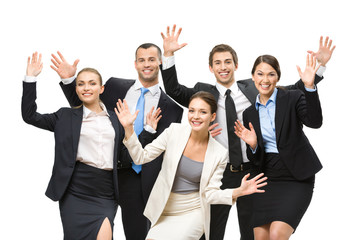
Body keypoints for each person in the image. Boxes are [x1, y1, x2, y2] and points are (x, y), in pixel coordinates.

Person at [159, 25, 335, 240]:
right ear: (211, 68)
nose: (223, 67)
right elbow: (174, 90)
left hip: (255, 171)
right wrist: (167, 55)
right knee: (211, 230)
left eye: (227, 62)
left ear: (236, 65)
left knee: (253, 233)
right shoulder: (203, 93)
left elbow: (297, 88)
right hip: (219, 172)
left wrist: (320, 68)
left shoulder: (255, 88)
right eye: (217, 63)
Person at [50, 44, 183, 239]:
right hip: (101, 176)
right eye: (142, 60)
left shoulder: (173, 109)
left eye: (152, 59)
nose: (147, 64)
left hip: (139, 180)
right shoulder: (114, 86)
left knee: (136, 234)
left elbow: (163, 149)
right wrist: (69, 80)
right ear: (135, 64)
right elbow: (82, 109)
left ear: (160, 62)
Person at [115, 91, 268, 240]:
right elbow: (141, 157)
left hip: (194, 212)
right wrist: (129, 128)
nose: (195, 116)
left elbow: (210, 193)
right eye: (192, 111)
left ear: (212, 116)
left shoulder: (219, 153)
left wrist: (237, 192)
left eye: (202, 112)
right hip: (165, 210)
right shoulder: (174, 131)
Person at [21, 52, 125, 240]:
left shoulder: (117, 118)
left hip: (106, 190)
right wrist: (30, 78)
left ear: (101, 88)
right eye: (81, 83)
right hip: (76, 189)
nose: (86, 88)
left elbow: (128, 151)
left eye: (92, 83)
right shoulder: (65, 116)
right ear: (75, 89)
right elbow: (30, 116)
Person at [234, 53, 323, 239]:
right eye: (260, 74)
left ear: (278, 77)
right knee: (261, 237)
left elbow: (315, 122)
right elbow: (256, 159)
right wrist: (253, 145)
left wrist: (309, 86)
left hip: (296, 177)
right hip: (268, 177)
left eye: (271, 74)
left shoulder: (292, 98)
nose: (265, 80)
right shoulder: (249, 113)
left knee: (276, 234)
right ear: (253, 77)